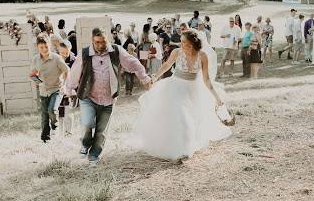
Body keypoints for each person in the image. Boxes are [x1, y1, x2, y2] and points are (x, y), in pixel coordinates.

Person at [135, 29, 230, 161]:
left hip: (193, 89)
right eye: (181, 41)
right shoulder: (177, 52)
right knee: (181, 116)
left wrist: (217, 98)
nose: (181, 44)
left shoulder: (202, 56)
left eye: (184, 42)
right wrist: (155, 77)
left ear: (192, 43)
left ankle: (187, 144)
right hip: (176, 87)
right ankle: (183, 149)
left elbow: (207, 80)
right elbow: (167, 65)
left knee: (192, 118)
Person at [64, 28, 152, 163]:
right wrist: (69, 89)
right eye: (97, 42)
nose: (100, 45)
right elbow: (75, 71)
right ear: (92, 41)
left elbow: (132, 63)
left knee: (101, 130)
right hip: (88, 97)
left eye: (103, 42)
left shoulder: (116, 51)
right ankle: (85, 144)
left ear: (107, 39)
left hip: (109, 98)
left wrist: (144, 77)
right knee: (87, 124)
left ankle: (94, 155)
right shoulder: (85, 53)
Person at [30, 38, 69, 143]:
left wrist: (64, 85)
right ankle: (45, 139)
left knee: (52, 110)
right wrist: (39, 83)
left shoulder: (57, 58)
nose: (44, 49)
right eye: (41, 47)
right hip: (44, 91)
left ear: (50, 45)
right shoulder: (36, 59)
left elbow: (67, 71)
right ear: (37, 47)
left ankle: (54, 126)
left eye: (46, 46)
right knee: (44, 116)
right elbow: (32, 75)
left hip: (57, 89)